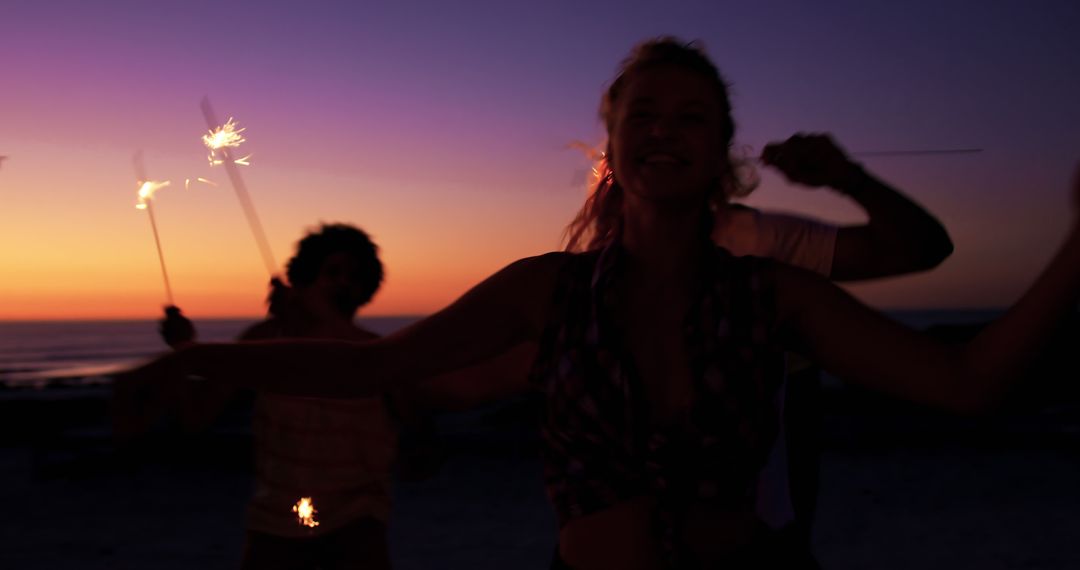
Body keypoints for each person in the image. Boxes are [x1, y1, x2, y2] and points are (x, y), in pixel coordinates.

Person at [118, 38, 1080, 569]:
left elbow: (968, 384)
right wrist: (196, 358)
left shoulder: (774, 291)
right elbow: (376, 367)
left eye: (692, 116)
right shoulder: (549, 288)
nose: (667, 130)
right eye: (643, 116)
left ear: (724, 152)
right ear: (610, 150)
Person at [161, 224, 399, 570]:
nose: (344, 283)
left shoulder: (376, 351)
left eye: (355, 275)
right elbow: (196, 417)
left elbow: (419, 434)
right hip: (274, 524)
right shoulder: (264, 340)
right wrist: (185, 350)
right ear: (306, 276)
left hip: (359, 523)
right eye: (332, 272)